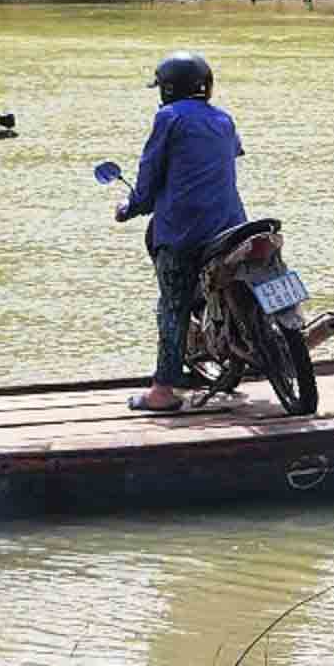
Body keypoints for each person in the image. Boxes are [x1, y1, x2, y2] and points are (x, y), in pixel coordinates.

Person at [116, 50, 246, 414]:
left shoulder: (168, 117)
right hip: (233, 223)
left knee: (172, 305)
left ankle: (162, 392)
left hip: (184, 229)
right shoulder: (224, 119)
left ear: (167, 89)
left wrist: (131, 207)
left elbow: (149, 174)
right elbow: (229, 157)